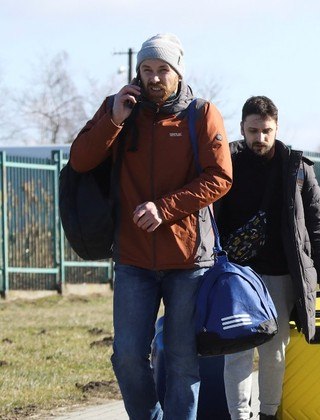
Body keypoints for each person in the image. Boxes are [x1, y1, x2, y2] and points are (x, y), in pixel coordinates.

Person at [69, 33, 233, 419]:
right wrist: (113, 120)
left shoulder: (201, 113)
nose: (154, 78)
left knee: (180, 362)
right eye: (146, 70)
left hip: (188, 261)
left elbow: (220, 177)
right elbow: (79, 161)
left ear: (178, 72)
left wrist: (165, 208)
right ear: (137, 73)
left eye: (163, 70)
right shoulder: (118, 110)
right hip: (133, 259)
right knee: (126, 357)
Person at [215, 95, 320, 420]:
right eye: (253, 130)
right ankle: (240, 416)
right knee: (237, 352)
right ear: (242, 127)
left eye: (266, 131)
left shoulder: (295, 167)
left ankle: (268, 414)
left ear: (277, 128)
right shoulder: (224, 162)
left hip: (282, 275)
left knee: (274, 351)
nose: (260, 138)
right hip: (236, 277)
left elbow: (317, 224)